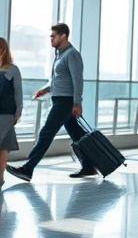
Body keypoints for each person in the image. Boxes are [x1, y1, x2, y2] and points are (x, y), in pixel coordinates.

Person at [6, 24, 97, 183]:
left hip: (65, 102)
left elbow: (77, 81)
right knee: (77, 134)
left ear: (63, 36)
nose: (51, 39)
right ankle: (89, 165)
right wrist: (46, 90)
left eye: (53, 36)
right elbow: (58, 80)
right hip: (59, 98)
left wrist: (77, 103)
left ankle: (28, 169)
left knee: (46, 133)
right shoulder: (59, 55)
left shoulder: (72, 54)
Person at [0, 37, 24, 190]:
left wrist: (18, 111)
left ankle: (0, 178)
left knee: (3, 147)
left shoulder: (12, 69)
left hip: (6, 113)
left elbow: (18, 92)